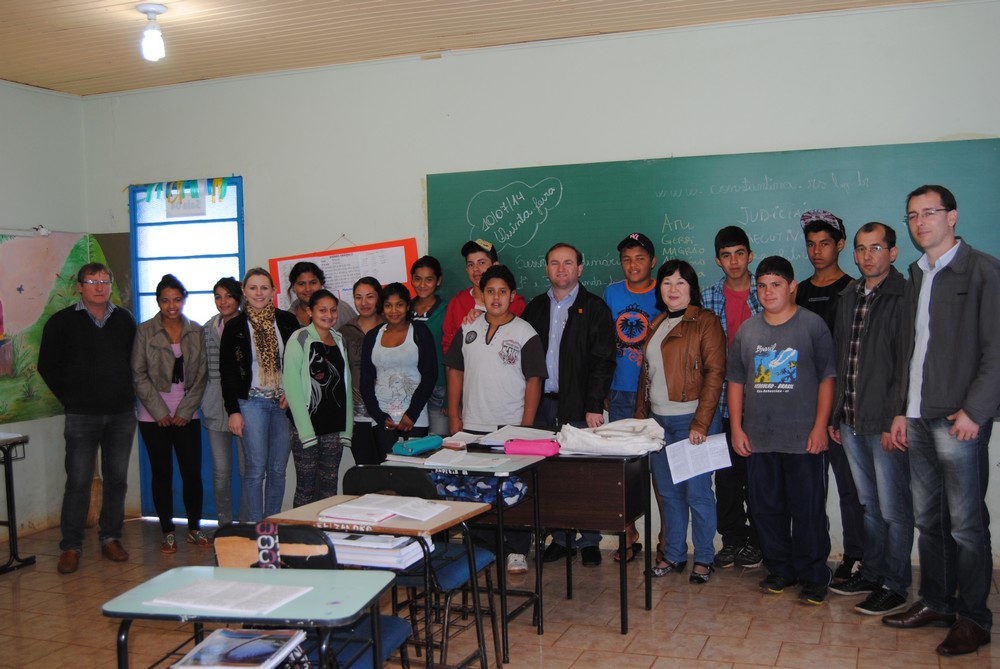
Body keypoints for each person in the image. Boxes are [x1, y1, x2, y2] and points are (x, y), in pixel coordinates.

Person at [883, 185, 1000, 656]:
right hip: (915, 417)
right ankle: (936, 601)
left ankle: (974, 617)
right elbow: (910, 354)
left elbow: (997, 351)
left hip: (959, 420)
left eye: (929, 212)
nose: (920, 222)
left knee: (966, 524)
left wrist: (976, 410)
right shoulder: (917, 275)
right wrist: (899, 411)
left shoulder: (983, 271)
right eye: (912, 215)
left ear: (952, 216)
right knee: (929, 520)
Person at [727, 256, 836, 605]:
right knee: (764, 509)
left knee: (807, 511)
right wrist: (736, 429)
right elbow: (736, 382)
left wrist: (821, 427)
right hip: (759, 439)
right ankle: (781, 569)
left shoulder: (812, 326)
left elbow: (827, 379)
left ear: (792, 287)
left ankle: (814, 575)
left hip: (803, 440)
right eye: (761, 285)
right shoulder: (748, 331)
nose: (767, 291)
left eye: (775, 284)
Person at [827, 222, 912, 615]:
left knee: (894, 509)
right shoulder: (848, 296)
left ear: (892, 253)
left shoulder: (905, 295)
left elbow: (907, 364)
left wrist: (899, 414)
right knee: (869, 505)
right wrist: (834, 415)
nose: (867, 256)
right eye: (861, 249)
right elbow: (841, 358)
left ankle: (895, 583)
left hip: (884, 422)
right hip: (850, 419)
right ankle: (873, 572)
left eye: (876, 248)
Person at [445, 265, 546, 573]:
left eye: (503, 291)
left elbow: (534, 380)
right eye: (490, 291)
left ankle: (516, 550)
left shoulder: (525, 331)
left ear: (512, 296)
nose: (496, 297)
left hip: (510, 426)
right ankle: (481, 548)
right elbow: (455, 371)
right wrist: (454, 417)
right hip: (473, 425)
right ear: (481, 295)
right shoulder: (468, 328)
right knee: (476, 491)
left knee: (513, 491)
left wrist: (525, 428)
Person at [38, 263, 137, 574]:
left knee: (117, 480)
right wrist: (71, 397)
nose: (99, 286)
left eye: (105, 281)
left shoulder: (124, 319)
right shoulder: (62, 322)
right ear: (79, 286)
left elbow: (136, 362)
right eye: (92, 281)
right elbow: (47, 365)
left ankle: (110, 537)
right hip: (81, 414)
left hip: (121, 413)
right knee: (79, 480)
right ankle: (71, 545)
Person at [522, 243, 616, 567]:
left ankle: (589, 540)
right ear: (546, 268)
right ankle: (561, 538)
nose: (561, 269)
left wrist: (593, 405)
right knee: (552, 477)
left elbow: (604, 361)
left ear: (580, 268)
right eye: (554, 263)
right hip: (542, 407)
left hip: (579, 407)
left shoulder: (595, 309)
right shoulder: (533, 308)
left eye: (568, 263)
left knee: (584, 476)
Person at [634, 260, 725, 584]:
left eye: (680, 283)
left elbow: (715, 374)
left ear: (691, 288)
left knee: (698, 493)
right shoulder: (658, 322)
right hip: (660, 423)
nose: (672, 289)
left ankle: (703, 557)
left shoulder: (705, 321)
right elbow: (647, 376)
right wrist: (642, 421)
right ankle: (673, 554)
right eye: (667, 282)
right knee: (669, 494)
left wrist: (701, 423)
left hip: (692, 421)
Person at [795, 209, 865, 581]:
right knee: (808, 492)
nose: (817, 251)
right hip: (799, 407)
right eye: (810, 245)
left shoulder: (854, 291)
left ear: (840, 245)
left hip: (842, 409)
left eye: (824, 244)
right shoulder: (799, 292)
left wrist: (838, 411)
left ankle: (856, 555)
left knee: (851, 488)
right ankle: (810, 557)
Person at [132, 274, 210, 553]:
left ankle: (194, 528)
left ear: (184, 299)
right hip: (154, 417)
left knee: (192, 474)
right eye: (165, 301)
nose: (171, 306)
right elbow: (138, 374)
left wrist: (185, 411)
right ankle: (166, 530)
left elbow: (201, 374)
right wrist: (160, 411)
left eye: (176, 299)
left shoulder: (196, 330)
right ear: (158, 302)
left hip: (187, 415)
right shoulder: (144, 331)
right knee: (161, 473)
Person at [701, 226, 764, 570]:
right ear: (718, 260)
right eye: (726, 255)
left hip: (762, 403)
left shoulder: (767, 291)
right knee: (725, 476)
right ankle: (732, 539)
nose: (734, 261)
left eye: (740, 253)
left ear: (750, 255)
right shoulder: (708, 297)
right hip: (722, 402)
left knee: (758, 475)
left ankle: (758, 539)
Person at [220, 268, 299, 522]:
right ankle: (255, 528)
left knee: (278, 470)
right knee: (255, 470)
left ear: (273, 291)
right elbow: (228, 372)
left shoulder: (287, 321)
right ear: (244, 291)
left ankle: (272, 525)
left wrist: (292, 393)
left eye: (264, 287)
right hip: (251, 404)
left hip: (283, 404)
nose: (258, 293)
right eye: (253, 288)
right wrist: (233, 410)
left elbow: (299, 364)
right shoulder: (235, 326)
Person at [602, 232, 661, 564]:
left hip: (658, 394)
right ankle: (628, 533)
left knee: (660, 471)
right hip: (621, 391)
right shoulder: (611, 293)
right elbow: (603, 343)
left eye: (640, 258)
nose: (633, 264)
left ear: (652, 261)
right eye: (626, 258)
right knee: (624, 469)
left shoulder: (665, 289)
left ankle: (667, 536)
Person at [283, 289, 352, 506]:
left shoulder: (339, 339)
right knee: (306, 488)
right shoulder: (299, 338)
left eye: (333, 310)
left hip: (333, 425)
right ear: (310, 311)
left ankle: (325, 537)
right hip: (307, 427)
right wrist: (305, 431)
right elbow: (292, 387)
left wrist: (347, 427)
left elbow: (345, 384)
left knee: (329, 488)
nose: (328, 315)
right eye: (322, 310)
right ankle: (301, 537)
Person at [361, 282, 438, 458]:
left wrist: (411, 414)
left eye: (399, 305)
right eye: (388, 305)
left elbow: (430, 375)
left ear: (408, 306)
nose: (394, 310)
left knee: (414, 475)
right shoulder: (373, 336)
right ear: (382, 308)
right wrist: (379, 417)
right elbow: (365, 380)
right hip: (383, 418)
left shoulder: (420, 332)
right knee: (389, 473)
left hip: (415, 417)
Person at [202, 276, 247, 526]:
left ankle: (246, 524)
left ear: (239, 297)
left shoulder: (248, 325)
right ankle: (224, 524)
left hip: (244, 406)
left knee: (247, 471)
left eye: (228, 295)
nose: (223, 301)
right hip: (214, 406)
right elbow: (201, 369)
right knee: (221, 473)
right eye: (218, 296)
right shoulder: (208, 327)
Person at [441, 239, 526, 355]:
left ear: (495, 266)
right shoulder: (456, 303)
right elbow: (448, 347)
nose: (476, 269)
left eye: (481, 263)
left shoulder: (515, 303)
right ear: (466, 270)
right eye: (470, 264)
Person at [340, 276, 385, 465]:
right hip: (357, 412)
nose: (364, 303)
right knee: (365, 467)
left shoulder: (390, 327)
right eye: (358, 297)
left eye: (369, 297)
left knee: (388, 467)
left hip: (387, 409)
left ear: (379, 298)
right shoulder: (345, 331)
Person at [409, 256, 449, 435]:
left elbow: (455, 353)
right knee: (413, 444)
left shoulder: (448, 309)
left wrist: (451, 398)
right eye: (417, 278)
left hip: (439, 387)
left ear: (438, 281)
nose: (422, 284)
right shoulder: (402, 309)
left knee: (438, 444)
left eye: (429, 279)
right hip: (409, 387)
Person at [285, 260, 357, 329]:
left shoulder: (339, 308)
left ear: (321, 284)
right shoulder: (287, 318)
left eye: (313, 283)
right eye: (301, 284)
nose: (308, 289)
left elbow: (358, 335)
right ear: (293, 287)